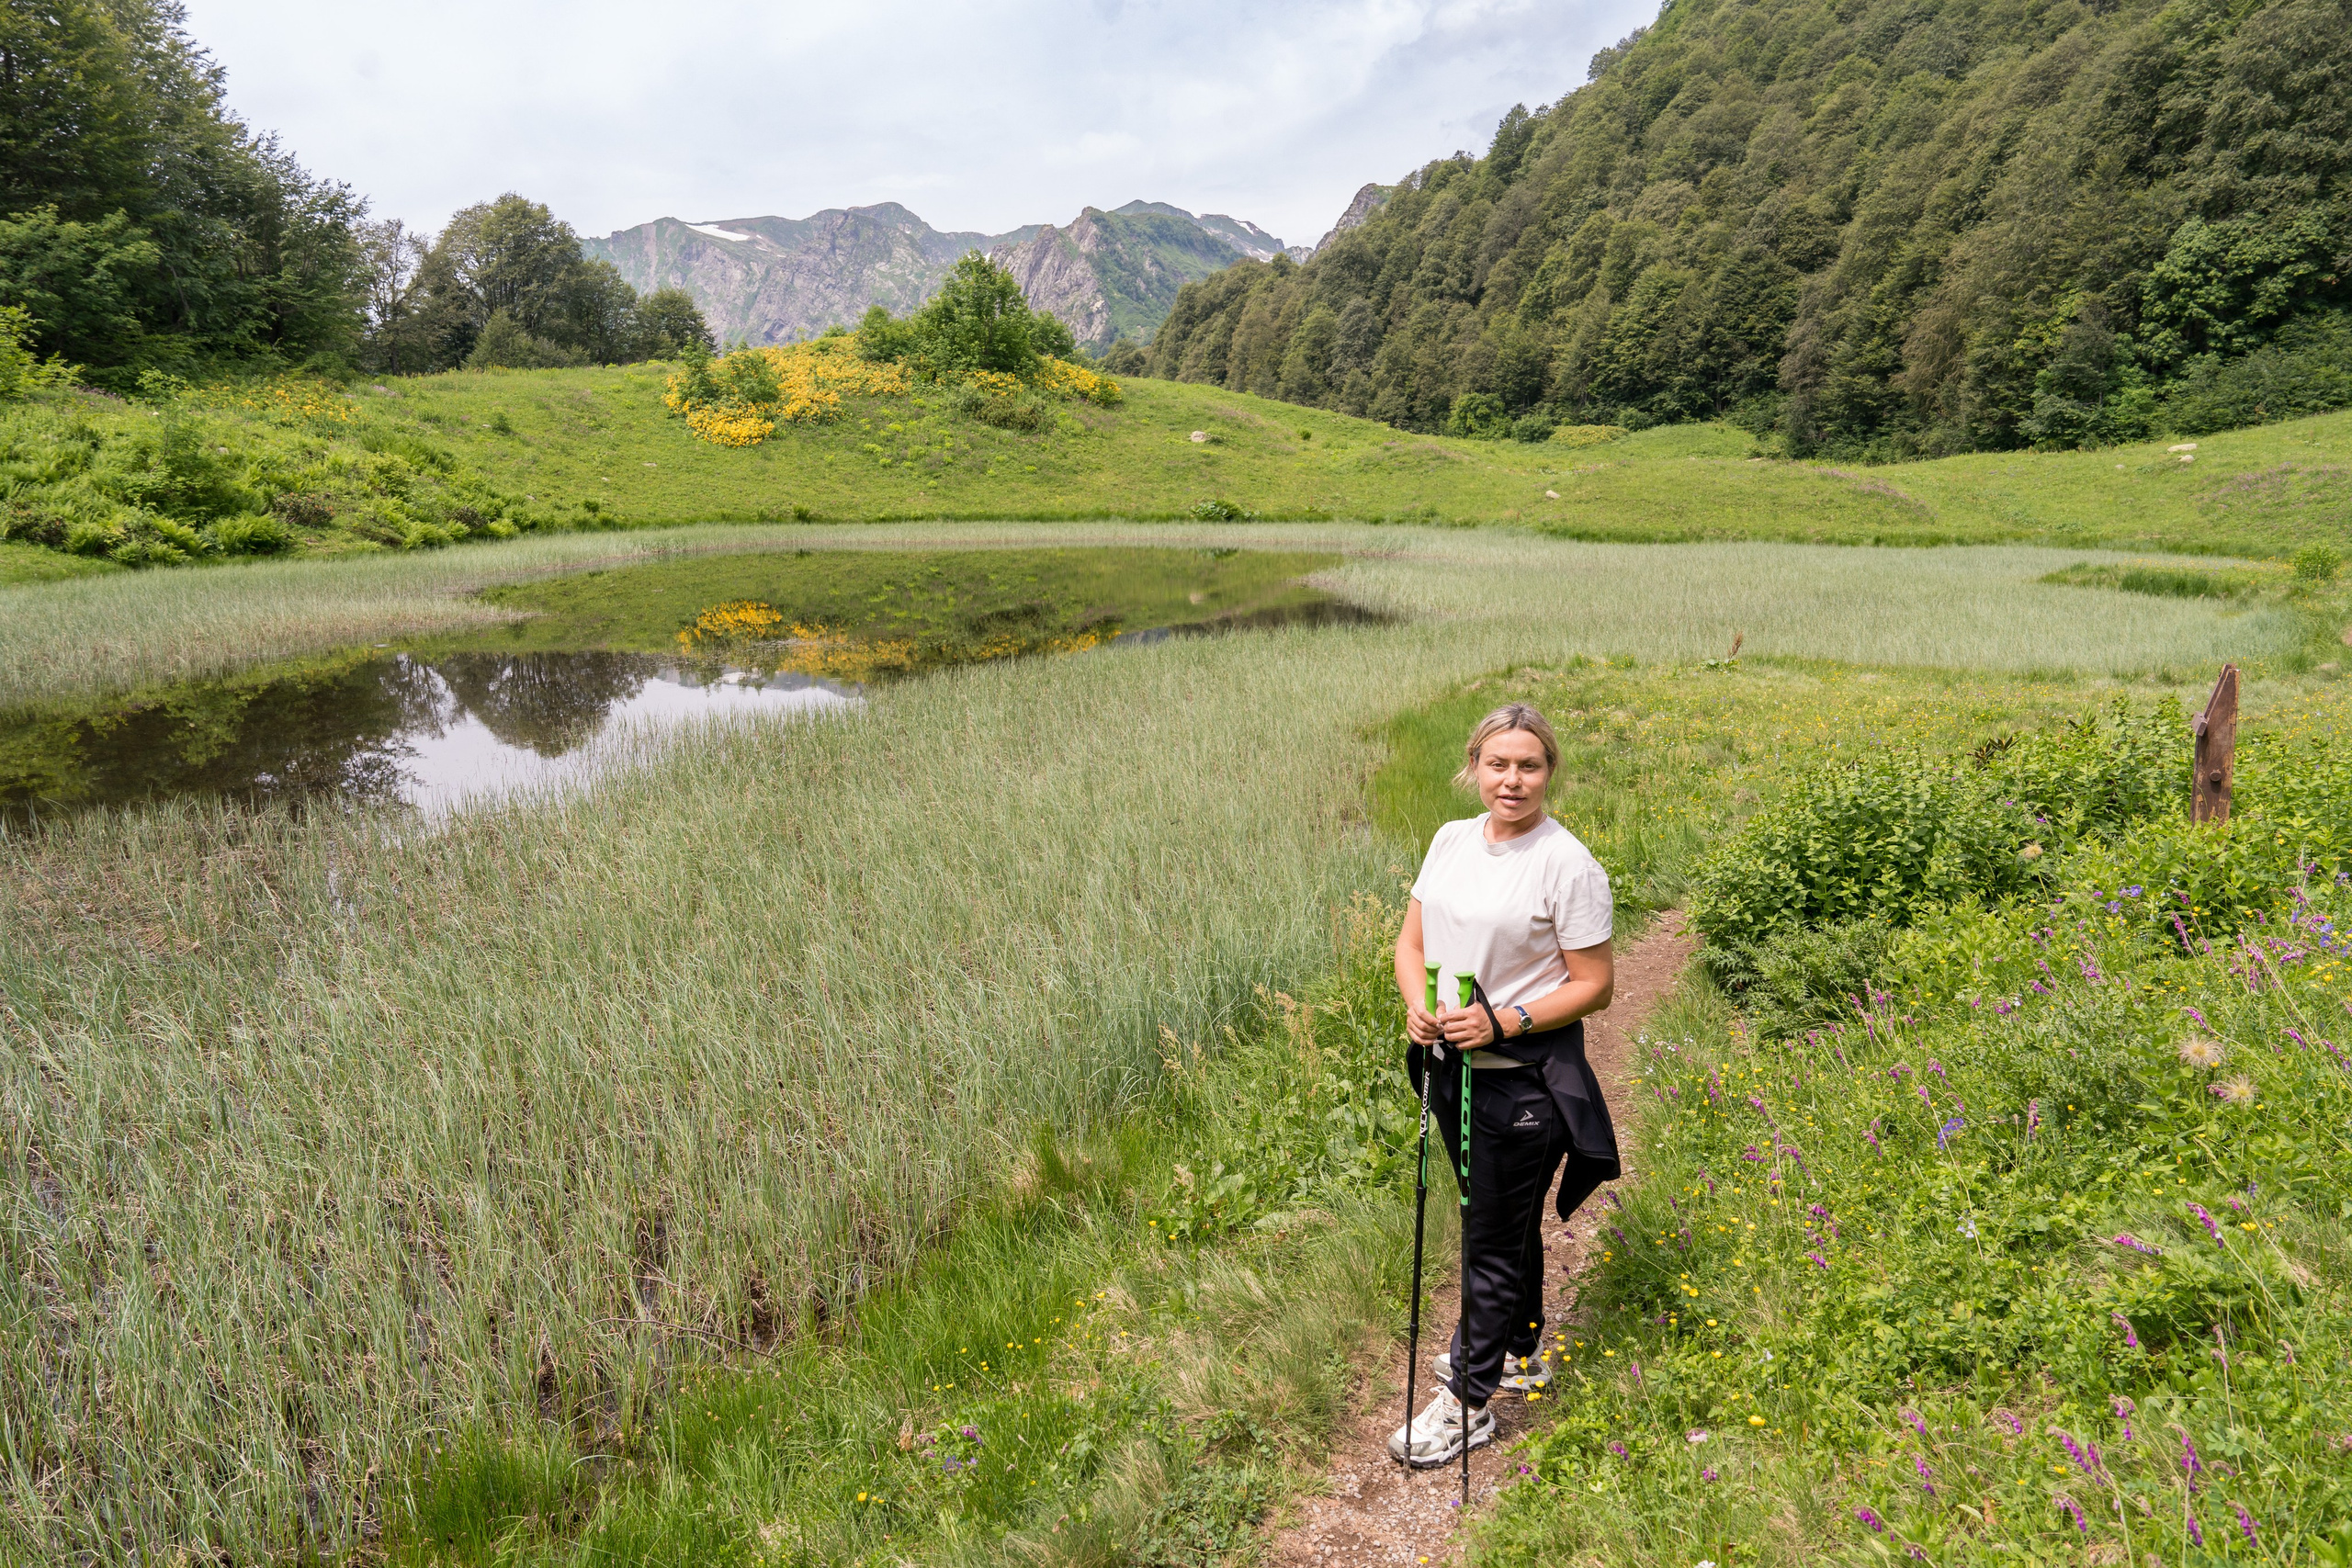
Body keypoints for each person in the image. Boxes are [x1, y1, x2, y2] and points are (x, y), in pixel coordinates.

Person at [1388, 702, 1619, 1467]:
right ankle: (1519, 1350)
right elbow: (1412, 939)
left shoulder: (1569, 864)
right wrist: (1420, 1008)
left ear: (1549, 771)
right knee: (1502, 1218)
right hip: (1449, 1073)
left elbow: (1595, 984)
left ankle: (1467, 1399)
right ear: (1474, 766)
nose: (1511, 779)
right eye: (1498, 763)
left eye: (1528, 765)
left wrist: (1505, 1020)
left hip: (1522, 1084)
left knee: (1486, 1240)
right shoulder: (1451, 840)